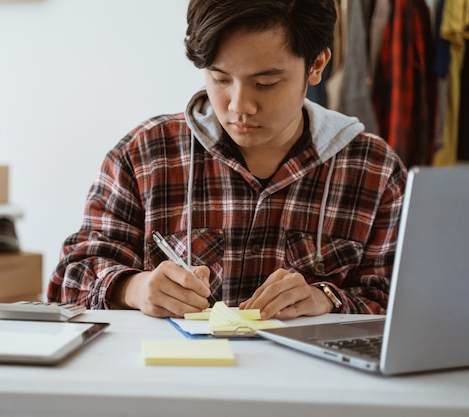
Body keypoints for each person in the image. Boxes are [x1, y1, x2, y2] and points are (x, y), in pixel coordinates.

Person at [47, 0, 407, 320]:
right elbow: (68, 281)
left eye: (265, 83)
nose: (239, 107)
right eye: (220, 79)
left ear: (316, 65)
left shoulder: (374, 169)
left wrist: (327, 298)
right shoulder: (146, 154)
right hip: (168, 382)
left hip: (314, 390)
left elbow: (401, 304)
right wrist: (134, 288)